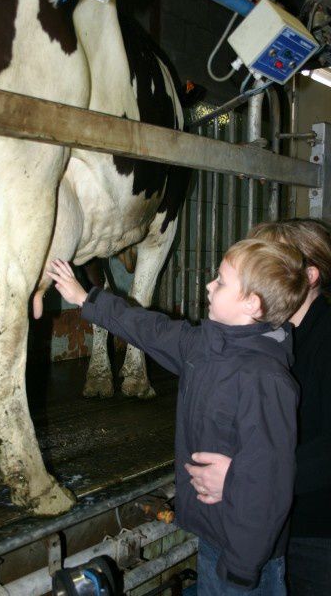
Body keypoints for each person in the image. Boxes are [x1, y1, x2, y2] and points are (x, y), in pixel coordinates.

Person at [48, 238, 309, 595]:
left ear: (251, 303)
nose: (208, 285)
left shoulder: (265, 379)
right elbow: (148, 328)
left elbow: (269, 484)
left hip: (246, 559)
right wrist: (86, 299)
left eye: (220, 281)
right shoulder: (204, 346)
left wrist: (242, 571)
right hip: (213, 535)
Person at [186, 219, 331, 595]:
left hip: (316, 533)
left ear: (309, 276)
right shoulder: (268, 335)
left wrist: (242, 478)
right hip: (269, 521)